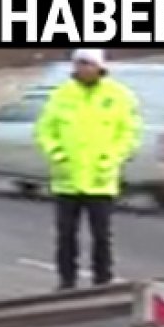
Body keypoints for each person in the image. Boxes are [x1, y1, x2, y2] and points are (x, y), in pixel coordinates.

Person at [35, 48, 141, 289]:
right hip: (67, 179)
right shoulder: (61, 95)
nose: (83, 69)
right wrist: (57, 154)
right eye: (79, 64)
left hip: (100, 180)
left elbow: (129, 133)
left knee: (102, 236)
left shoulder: (119, 96)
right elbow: (44, 130)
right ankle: (66, 279)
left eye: (88, 64)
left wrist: (113, 157)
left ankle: (102, 279)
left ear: (99, 67)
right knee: (66, 235)